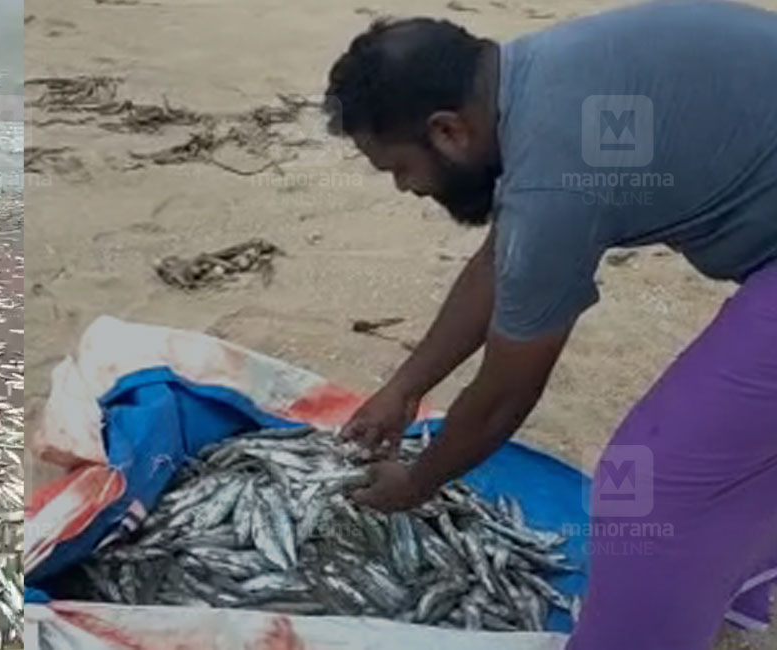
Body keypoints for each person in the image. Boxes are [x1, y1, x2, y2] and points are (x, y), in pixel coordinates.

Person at [322, 1, 777, 648]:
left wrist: (419, 482)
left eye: (399, 168)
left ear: (448, 131)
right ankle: (727, 592)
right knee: (738, 440)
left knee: (648, 481)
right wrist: (405, 387)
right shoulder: (534, 79)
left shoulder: (554, 179)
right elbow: (503, 264)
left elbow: (507, 393)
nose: (406, 189)